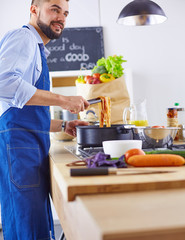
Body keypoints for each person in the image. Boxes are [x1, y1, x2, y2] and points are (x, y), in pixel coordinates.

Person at [0, 0, 89, 239]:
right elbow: (4, 84)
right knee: (27, 225)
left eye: (65, 13)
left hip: (27, 145)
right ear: (34, 9)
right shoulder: (23, 38)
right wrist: (63, 100)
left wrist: (63, 124)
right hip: (20, 148)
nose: (61, 17)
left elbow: (23, 113)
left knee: (34, 221)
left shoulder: (37, 48)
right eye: (55, 9)